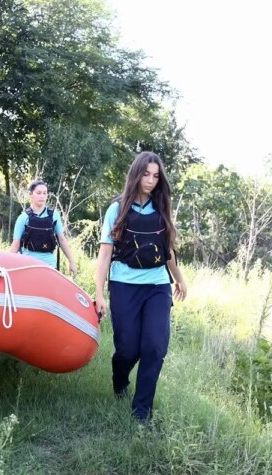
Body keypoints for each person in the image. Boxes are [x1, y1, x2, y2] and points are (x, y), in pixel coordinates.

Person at [94, 151, 187, 423]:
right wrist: (99, 293)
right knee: (128, 350)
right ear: (136, 174)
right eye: (146, 174)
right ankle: (120, 379)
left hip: (157, 285)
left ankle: (141, 412)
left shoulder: (161, 208)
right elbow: (105, 255)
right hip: (124, 284)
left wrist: (179, 278)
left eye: (156, 176)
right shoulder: (117, 209)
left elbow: (167, 250)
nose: (150, 180)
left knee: (155, 347)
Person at [9, 179, 78, 278]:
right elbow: (16, 244)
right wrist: (7, 265)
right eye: (38, 193)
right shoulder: (23, 218)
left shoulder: (54, 215)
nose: (42, 196)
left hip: (49, 266)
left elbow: (62, 239)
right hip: (27, 266)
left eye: (44, 193)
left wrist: (71, 262)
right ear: (31, 194)